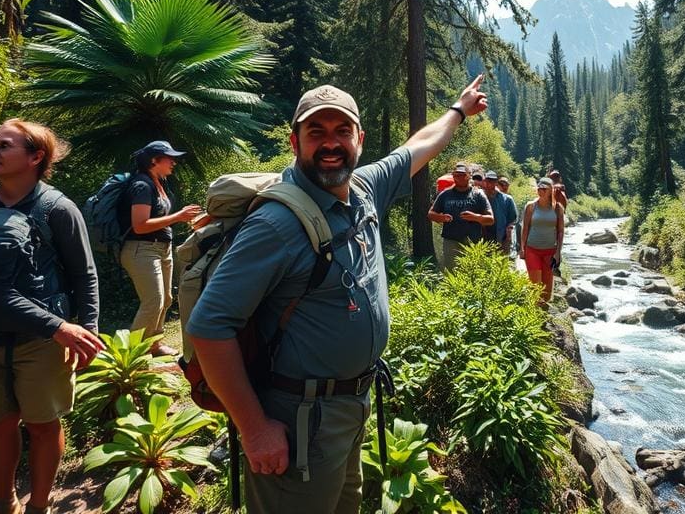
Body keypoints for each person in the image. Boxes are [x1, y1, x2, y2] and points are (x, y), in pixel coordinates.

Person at [187, 76, 488, 514]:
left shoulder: (363, 189)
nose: (331, 144)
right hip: (298, 423)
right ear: (295, 141)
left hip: (351, 407)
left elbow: (420, 146)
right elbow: (209, 327)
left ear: (359, 140)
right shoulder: (276, 225)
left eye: (341, 132)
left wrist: (458, 111)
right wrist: (254, 430)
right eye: (317, 133)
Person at [0, 120, 105, 514]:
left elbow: (83, 273)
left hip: (47, 340)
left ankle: (39, 505)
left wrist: (88, 330)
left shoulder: (57, 208)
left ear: (36, 157)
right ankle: (2, 503)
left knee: (42, 425)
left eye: (5, 145)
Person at [119, 141, 203, 357]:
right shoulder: (142, 185)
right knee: (153, 301)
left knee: (165, 299)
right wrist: (178, 216)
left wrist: (183, 219)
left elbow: (158, 219)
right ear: (154, 160)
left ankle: (154, 345)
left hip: (161, 248)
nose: (174, 162)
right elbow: (140, 225)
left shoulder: (158, 183)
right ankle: (130, 356)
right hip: (141, 249)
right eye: (169, 157)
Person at [427, 161, 493, 273]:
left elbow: (490, 219)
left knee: (471, 272)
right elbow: (431, 214)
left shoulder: (478, 194)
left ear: (468, 176)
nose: (459, 178)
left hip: (472, 242)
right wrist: (442, 218)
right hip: (450, 241)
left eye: (462, 175)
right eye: (456, 175)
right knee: (451, 273)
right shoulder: (445, 194)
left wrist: (476, 217)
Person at [520, 177, 564, 306]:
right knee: (535, 286)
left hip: (550, 251)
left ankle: (543, 317)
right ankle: (534, 316)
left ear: (551, 190)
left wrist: (558, 252)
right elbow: (525, 227)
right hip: (532, 249)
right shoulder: (531, 206)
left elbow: (560, 231)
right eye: (539, 188)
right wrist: (522, 248)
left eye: (544, 189)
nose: (541, 191)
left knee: (546, 290)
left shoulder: (557, 208)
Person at [479, 171, 517, 255]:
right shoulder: (478, 196)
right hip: (481, 239)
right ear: (484, 181)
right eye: (488, 181)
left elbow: (512, 220)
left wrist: (508, 238)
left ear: (496, 182)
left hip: (500, 239)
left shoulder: (507, 199)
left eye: (493, 181)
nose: (490, 184)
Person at [495, 176, 519, 256]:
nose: (504, 187)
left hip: (505, 234)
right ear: (497, 185)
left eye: (506, 185)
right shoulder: (491, 197)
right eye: (502, 184)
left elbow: (514, 217)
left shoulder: (508, 199)